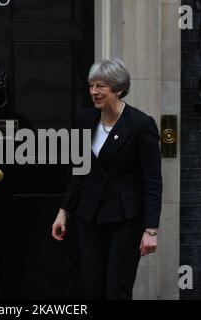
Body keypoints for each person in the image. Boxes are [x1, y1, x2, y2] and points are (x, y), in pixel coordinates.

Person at [51, 58, 162, 300]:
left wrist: (151, 229)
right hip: (89, 216)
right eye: (91, 86)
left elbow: (152, 180)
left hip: (124, 220)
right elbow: (79, 171)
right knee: (92, 286)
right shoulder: (85, 119)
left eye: (100, 86)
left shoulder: (141, 124)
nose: (93, 92)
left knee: (117, 289)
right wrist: (64, 211)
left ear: (118, 88)